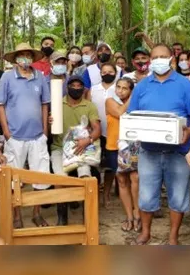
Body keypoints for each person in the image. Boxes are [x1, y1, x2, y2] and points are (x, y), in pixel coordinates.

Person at [128, 44, 190, 245]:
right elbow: (132, 114)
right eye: (155, 57)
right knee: (146, 196)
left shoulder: (185, 85)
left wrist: (189, 132)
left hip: (178, 152)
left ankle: (173, 237)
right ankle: (145, 233)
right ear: (151, 60)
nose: (159, 60)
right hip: (149, 151)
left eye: (163, 56)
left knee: (178, 197)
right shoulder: (142, 86)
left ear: (172, 59)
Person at [0, 43, 52, 228]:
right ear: (16, 59)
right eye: (22, 55)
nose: (25, 58)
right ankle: (17, 215)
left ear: (33, 58)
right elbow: (0, 105)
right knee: (13, 179)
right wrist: (6, 132)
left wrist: (45, 131)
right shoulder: (7, 77)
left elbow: (45, 104)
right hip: (15, 137)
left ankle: (36, 213)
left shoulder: (40, 78)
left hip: (37, 136)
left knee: (40, 177)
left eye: (28, 55)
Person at [50, 76, 102, 225]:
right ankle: (62, 218)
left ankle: (88, 217)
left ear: (84, 89)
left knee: (85, 176)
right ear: (67, 87)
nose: (76, 88)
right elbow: (49, 131)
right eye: (73, 85)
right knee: (59, 178)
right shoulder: (57, 104)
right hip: (59, 147)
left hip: (81, 147)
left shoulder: (89, 105)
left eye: (80, 86)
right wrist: (49, 123)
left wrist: (88, 140)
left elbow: (97, 128)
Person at [105, 77, 141, 233]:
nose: (120, 90)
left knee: (135, 178)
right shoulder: (110, 101)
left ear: (131, 90)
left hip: (134, 145)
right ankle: (129, 216)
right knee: (121, 180)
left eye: (125, 88)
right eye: (118, 87)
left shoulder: (138, 103)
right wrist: (133, 96)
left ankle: (138, 214)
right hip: (115, 145)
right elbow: (119, 113)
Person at [90, 63, 118, 207]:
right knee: (94, 164)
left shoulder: (119, 89)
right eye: (104, 71)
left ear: (115, 72)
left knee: (111, 166)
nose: (107, 73)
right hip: (96, 133)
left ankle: (106, 194)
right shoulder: (93, 89)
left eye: (110, 71)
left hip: (112, 133)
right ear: (100, 73)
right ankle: (94, 195)